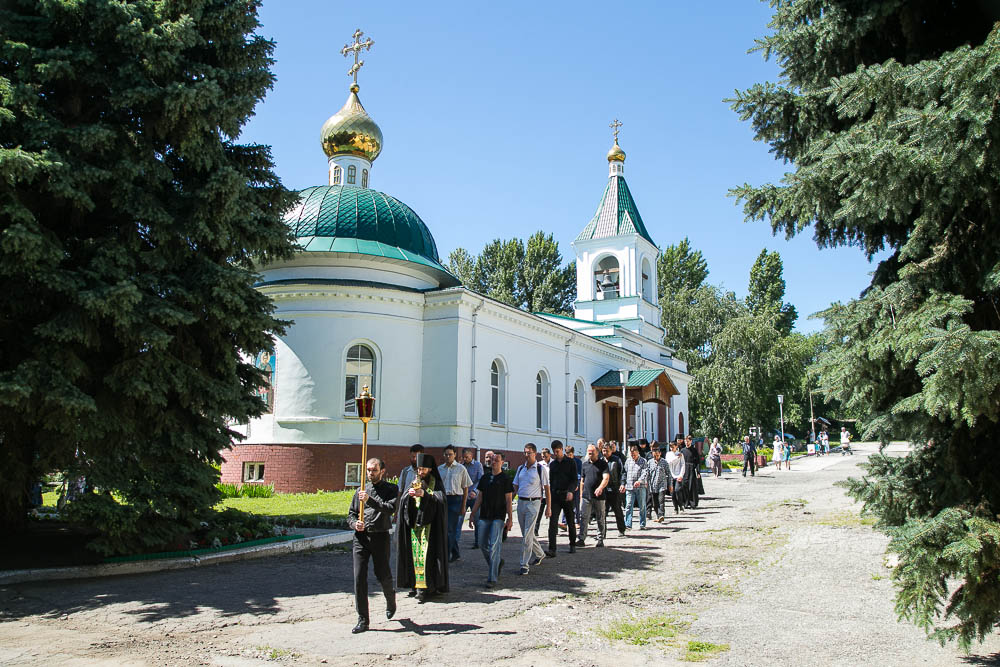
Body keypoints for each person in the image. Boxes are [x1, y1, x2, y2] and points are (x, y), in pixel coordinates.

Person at [348, 458, 398, 634]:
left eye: (374, 470)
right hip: (361, 538)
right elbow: (351, 514)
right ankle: (363, 620)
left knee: (382, 574)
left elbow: (389, 508)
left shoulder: (391, 489)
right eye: (368, 470)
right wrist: (355, 524)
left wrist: (369, 500)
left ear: (382, 471)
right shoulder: (360, 490)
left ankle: (390, 599)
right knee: (359, 577)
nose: (370, 473)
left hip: (380, 536)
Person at [396, 453, 449, 603]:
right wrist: (409, 496)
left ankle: (427, 587)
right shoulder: (414, 481)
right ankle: (415, 585)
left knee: (427, 558)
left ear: (430, 469)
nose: (421, 472)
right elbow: (403, 499)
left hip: (431, 529)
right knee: (414, 558)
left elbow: (441, 500)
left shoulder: (435, 483)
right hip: (414, 526)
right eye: (419, 469)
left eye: (424, 469)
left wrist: (425, 495)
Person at [467, 452, 513, 588]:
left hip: (498, 516)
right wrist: (472, 514)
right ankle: (497, 563)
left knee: (494, 546)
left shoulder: (505, 478)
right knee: (482, 543)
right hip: (484, 515)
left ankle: (492, 578)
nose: (493, 462)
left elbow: (509, 500)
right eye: (492, 460)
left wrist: (510, 518)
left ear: (502, 462)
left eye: (496, 460)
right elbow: (479, 497)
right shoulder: (485, 478)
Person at [512, 443, 551, 575]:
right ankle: (540, 553)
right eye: (525, 453)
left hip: (534, 503)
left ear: (535, 453)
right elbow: (515, 487)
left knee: (527, 535)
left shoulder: (540, 469)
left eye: (529, 453)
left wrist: (548, 507)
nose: (527, 455)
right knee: (526, 534)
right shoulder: (520, 468)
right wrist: (509, 502)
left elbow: (547, 489)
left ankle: (524, 564)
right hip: (521, 502)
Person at [438, 445, 472, 563]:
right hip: (443, 499)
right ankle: (456, 552)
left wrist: (463, 505)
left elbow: (466, 488)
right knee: (445, 528)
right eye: (446, 454)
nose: (448, 457)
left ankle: (446, 555)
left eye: (450, 454)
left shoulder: (461, 469)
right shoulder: (440, 469)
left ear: (455, 455)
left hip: (455, 500)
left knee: (449, 529)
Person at [546, 440, 578, 556]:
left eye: (557, 451)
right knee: (553, 522)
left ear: (562, 449)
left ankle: (572, 544)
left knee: (570, 521)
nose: (556, 454)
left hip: (567, 495)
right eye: (554, 452)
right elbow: (550, 481)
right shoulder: (553, 464)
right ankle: (552, 549)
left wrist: (570, 491)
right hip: (556, 496)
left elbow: (574, 479)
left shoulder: (570, 462)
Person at [577, 444, 610, 547]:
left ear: (597, 453)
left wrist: (600, 488)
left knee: (600, 517)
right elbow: (582, 481)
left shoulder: (603, 464)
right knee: (584, 517)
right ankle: (581, 539)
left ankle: (600, 539)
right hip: (586, 496)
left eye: (592, 453)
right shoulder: (584, 465)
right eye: (589, 453)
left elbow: (606, 478)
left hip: (599, 497)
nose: (590, 454)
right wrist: (581, 494)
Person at [601, 442, 626, 537]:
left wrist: (622, 483)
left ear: (611, 451)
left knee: (617, 510)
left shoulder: (616, 460)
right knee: (602, 512)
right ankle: (602, 532)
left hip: (615, 489)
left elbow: (623, 472)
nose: (605, 453)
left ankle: (621, 529)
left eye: (607, 451)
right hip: (604, 489)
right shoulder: (600, 461)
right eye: (604, 451)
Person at [621, 444, 649, 530]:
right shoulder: (628, 461)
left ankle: (642, 524)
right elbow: (624, 472)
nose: (633, 455)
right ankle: (628, 524)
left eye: (634, 454)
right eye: (631, 454)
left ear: (638, 452)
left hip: (640, 487)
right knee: (628, 505)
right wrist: (623, 484)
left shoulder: (643, 461)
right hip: (629, 487)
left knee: (642, 505)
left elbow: (645, 472)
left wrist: (639, 481)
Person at [462, 448, 484, 549]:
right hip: (464, 496)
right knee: (460, 518)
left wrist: (475, 491)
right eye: (464, 457)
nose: (465, 459)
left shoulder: (478, 465)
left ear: (471, 456)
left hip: (474, 496)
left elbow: (480, 480)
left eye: (467, 457)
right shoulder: (462, 466)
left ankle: (478, 542)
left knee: (477, 520)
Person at [647, 445, 670, 523]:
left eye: (657, 455)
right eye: (654, 455)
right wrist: (646, 483)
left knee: (661, 500)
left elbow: (669, 474)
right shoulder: (649, 462)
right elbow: (647, 474)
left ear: (660, 453)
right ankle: (658, 515)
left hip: (662, 485)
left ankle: (661, 515)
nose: (656, 456)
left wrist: (670, 485)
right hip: (653, 486)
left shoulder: (664, 462)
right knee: (655, 503)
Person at [665, 442, 686, 513]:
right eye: (670, 447)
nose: (671, 448)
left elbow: (683, 464)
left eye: (673, 447)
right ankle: (675, 508)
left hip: (678, 475)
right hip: (671, 475)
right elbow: (668, 462)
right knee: (672, 492)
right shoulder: (668, 454)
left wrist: (681, 475)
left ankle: (681, 505)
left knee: (677, 490)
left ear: (676, 446)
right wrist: (676, 458)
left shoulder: (680, 454)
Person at [683, 435, 702, 509]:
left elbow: (697, 462)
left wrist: (698, 472)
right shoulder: (682, 451)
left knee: (692, 487)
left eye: (688, 441)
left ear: (691, 441)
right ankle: (685, 503)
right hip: (684, 470)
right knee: (685, 486)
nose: (687, 443)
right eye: (686, 441)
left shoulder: (694, 450)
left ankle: (693, 503)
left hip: (691, 470)